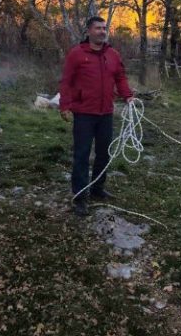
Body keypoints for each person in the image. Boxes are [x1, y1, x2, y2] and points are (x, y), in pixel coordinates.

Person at [59, 16, 133, 216]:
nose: (102, 31)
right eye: (98, 28)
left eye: (104, 28)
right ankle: (80, 196)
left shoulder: (113, 54)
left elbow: (120, 77)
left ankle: (97, 188)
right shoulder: (77, 54)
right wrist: (64, 106)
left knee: (104, 153)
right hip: (84, 113)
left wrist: (128, 96)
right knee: (82, 155)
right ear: (89, 31)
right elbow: (66, 81)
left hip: (106, 113)